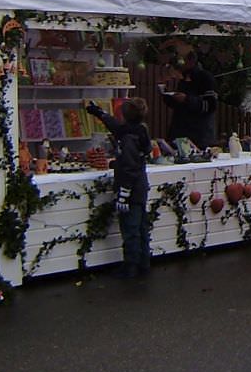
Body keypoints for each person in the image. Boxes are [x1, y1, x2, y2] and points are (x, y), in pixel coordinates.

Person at [87, 96, 154, 278]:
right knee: (140, 226)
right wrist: (100, 113)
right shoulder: (139, 131)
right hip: (140, 185)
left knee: (130, 228)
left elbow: (129, 166)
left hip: (130, 187)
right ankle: (144, 262)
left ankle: (131, 266)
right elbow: (115, 126)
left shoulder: (128, 138)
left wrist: (124, 192)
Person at [162, 51, 217, 148]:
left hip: (199, 134)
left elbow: (210, 106)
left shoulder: (205, 77)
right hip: (180, 132)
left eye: (182, 60)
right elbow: (179, 106)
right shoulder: (183, 79)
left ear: (191, 61)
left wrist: (187, 99)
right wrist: (168, 96)